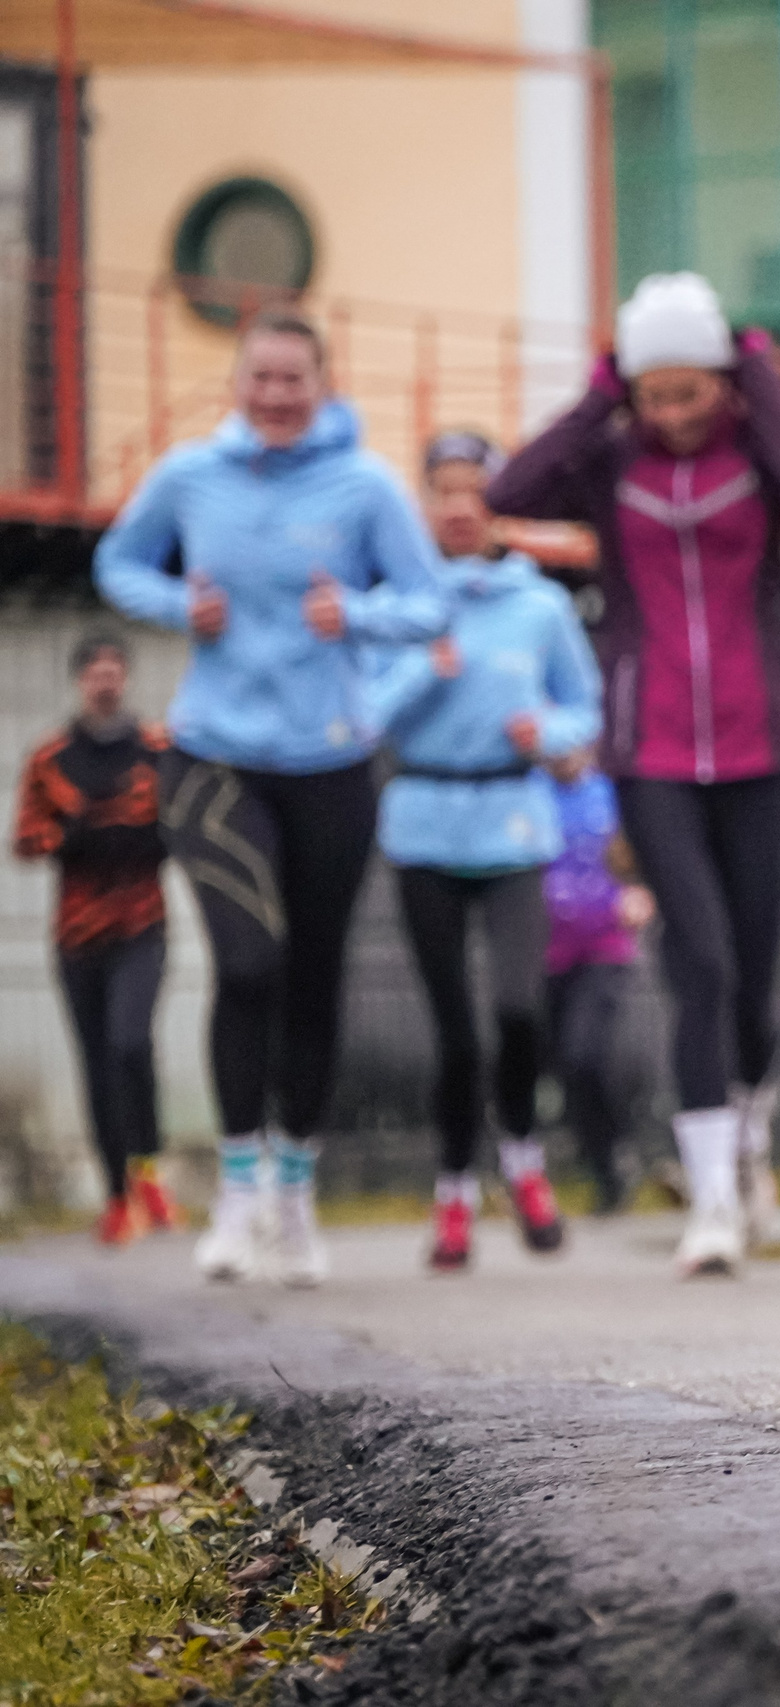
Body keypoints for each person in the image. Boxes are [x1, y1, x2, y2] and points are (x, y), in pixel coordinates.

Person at [485, 272, 780, 1278]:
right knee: (702, 965)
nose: (676, 414)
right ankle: (713, 1202)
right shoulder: (609, 462)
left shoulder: (759, 455)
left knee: (755, 979)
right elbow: (510, 492)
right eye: (656, 395)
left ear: (721, 382)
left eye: (693, 392)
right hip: (651, 750)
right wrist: (604, 390)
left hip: (762, 743)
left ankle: (751, 1130)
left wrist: (756, 376)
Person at [94, 309, 449, 1288]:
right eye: (262, 377)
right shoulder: (189, 475)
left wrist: (356, 612)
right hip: (215, 756)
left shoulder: (366, 485)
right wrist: (179, 604)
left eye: (295, 378)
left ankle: (295, 1195)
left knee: (313, 976)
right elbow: (117, 562)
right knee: (247, 963)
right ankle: (238, 1191)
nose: (277, 395)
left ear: (323, 384)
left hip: (331, 761)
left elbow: (429, 604)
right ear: (238, 383)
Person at [370, 430, 601, 1272]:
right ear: (423, 503)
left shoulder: (539, 605)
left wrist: (553, 733)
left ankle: (526, 1165)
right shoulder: (396, 604)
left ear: (500, 503)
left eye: (476, 489)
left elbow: (585, 707)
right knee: (456, 1034)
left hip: (513, 823)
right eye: (444, 490)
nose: (461, 507)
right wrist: (423, 670)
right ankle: (455, 1197)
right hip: (424, 824)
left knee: (516, 1010)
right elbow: (362, 714)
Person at [12, 634, 177, 1245]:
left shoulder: (157, 751)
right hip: (78, 934)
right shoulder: (50, 759)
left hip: (142, 923)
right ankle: (115, 1196)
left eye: (114, 671)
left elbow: (184, 821)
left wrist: (147, 836)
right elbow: (26, 838)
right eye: (95, 672)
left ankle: (148, 1168)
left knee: (131, 1043)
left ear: (125, 678)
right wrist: (72, 836)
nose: (105, 681)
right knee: (98, 1060)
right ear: (81, 680)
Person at [543, 747, 654, 1213]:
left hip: (605, 948)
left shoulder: (613, 792)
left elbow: (650, 848)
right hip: (545, 953)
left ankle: (614, 1156)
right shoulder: (527, 794)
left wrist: (642, 890)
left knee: (585, 1053)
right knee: (561, 1064)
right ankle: (596, 1158)